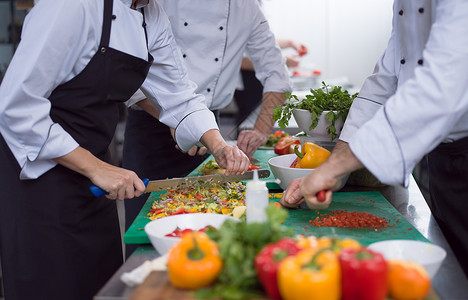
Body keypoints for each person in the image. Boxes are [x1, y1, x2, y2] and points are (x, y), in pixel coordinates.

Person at [0, 0, 249, 299]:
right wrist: (96, 168)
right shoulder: (70, 6)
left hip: (96, 176)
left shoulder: (151, 14)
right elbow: (17, 107)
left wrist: (218, 144)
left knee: (103, 282)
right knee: (54, 284)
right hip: (40, 176)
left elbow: (179, 95)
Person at [280, 0, 468, 277]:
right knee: (452, 268)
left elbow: (444, 84)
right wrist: (333, 167)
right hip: (444, 157)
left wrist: (334, 168)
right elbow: (383, 86)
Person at [122, 0, 292, 253]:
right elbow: (133, 77)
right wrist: (179, 121)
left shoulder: (245, 7)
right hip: (151, 130)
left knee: (207, 235)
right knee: (148, 238)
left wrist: (260, 129)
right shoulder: (157, 4)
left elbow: (277, 74)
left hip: (209, 139)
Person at [235, 38, 308, 124]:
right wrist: (281, 60)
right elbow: (239, 61)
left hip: (258, 84)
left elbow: (262, 40)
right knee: (249, 123)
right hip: (247, 86)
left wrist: (290, 43)